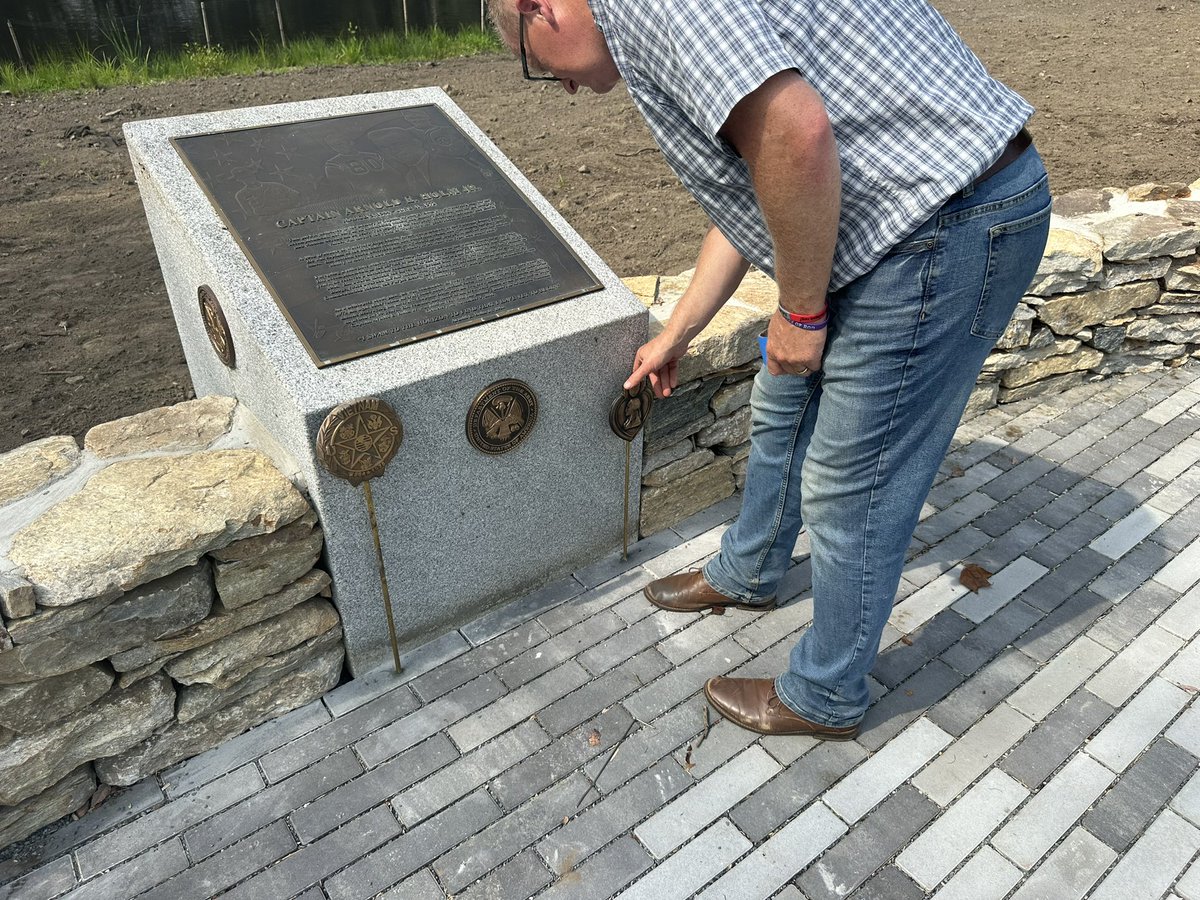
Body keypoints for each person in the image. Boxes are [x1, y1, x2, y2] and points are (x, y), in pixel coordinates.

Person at [488, 0, 1051, 739]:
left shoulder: (657, 9)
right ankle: (749, 572)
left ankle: (827, 695)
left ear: (540, 7)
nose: (557, 87)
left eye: (534, 64)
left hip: (944, 225)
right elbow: (765, 172)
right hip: (900, 218)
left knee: (855, 482)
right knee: (783, 402)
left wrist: (802, 312)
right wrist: (679, 332)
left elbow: (796, 134)